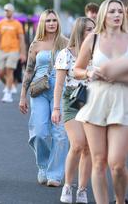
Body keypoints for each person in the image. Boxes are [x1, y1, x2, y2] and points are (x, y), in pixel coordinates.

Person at [74, 0, 128, 204]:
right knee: (98, 161)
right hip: (96, 101)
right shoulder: (93, 39)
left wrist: (118, 76)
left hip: (122, 101)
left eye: (119, 11)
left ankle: (120, 200)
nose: (117, 15)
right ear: (104, 14)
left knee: (117, 164)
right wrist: (88, 73)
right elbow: (76, 70)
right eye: (112, 11)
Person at [19, 9, 69, 187]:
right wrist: (22, 96)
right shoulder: (36, 45)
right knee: (39, 132)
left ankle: (55, 173)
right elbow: (29, 70)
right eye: (48, 20)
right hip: (39, 89)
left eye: (54, 20)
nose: (51, 23)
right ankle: (44, 165)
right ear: (42, 23)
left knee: (60, 134)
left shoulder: (65, 43)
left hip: (60, 89)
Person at [52, 17, 95, 203]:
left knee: (88, 148)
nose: (93, 32)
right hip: (72, 101)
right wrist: (56, 108)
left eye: (94, 29)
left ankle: (82, 189)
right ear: (79, 31)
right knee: (77, 144)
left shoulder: (99, 52)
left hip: (94, 101)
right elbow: (59, 84)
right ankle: (68, 186)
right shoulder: (65, 54)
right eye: (88, 30)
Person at [0, 3, 26, 103]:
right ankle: (9, 84)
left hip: (14, 50)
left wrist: (23, 53)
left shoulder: (17, 24)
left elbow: (21, 39)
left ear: (12, 11)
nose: (6, 12)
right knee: (0, 73)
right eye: (5, 10)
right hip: (2, 50)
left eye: (8, 10)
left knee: (9, 70)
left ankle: (7, 94)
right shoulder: (0, 23)